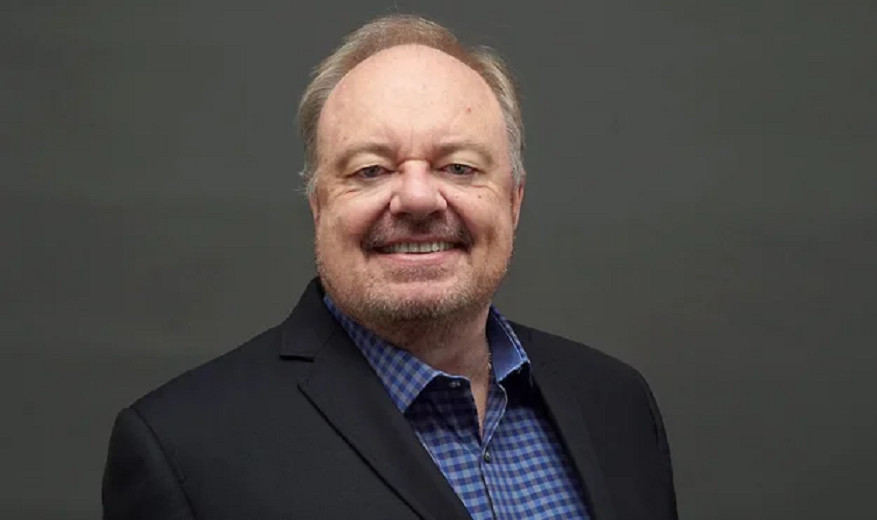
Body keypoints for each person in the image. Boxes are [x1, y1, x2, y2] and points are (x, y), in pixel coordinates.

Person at [102, 14, 678, 520]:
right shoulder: (185, 450)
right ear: (319, 206)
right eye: (371, 170)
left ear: (514, 201)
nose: (418, 199)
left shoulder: (617, 405)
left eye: (458, 167)